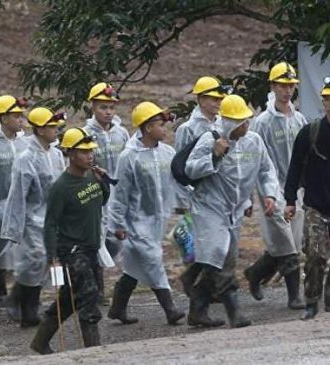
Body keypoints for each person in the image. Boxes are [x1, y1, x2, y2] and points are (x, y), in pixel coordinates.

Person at [184, 95, 278, 328]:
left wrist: (269, 194)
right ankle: (234, 312)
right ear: (227, 123)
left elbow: (266, 170)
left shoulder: (254, 142)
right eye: (239, 122)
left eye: (246, 121)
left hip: (234, 210)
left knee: (224, 258)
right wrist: (214, 155)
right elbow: (190, 169)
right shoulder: (210, 140)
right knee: (220, 255)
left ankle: (197, 306)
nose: (245, 126)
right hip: (209, 208)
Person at [30, 127, 109, 354]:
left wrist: (103, 181)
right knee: (89, 296)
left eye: (91, 151)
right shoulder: (61, 187)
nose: (90, 155)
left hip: (92, 248)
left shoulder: (91, 177)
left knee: (69, 299)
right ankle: (93, 352)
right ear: (71, 154)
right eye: (84, 152)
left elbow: (101, 200)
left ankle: (39, 341)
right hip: (73, 251)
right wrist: (52, 257)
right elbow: (50, 224)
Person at [107, 102, 185, 325]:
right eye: (161, 125)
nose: (165, 129)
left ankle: (117, 308)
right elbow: (120, 194)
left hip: (158, 220)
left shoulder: (167, 153)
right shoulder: (129, 157)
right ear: (148, 127)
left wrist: (187, 202)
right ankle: (170, 310)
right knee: (152, 260)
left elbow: (177, 183)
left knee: (134, 265)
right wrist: (118, 224)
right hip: (136, 221)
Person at [244, 62, 307, 310]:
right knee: (286, 241)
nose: (287, 90)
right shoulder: (263, 122)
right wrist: (258, 194)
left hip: (296, 189)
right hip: (272, 187)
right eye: (282, 85)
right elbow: (257, 160)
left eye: (291, 85)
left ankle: (255, 273)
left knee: (292, 239)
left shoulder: (299, 118)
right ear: (273, 86)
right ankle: (294, 296)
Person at [1, 107, 66, 327]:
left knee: (46, 262)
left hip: (52, 219)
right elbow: (18, 194)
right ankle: (19, 300)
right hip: (32, 218)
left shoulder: (56, 154)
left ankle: (27, 308)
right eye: (51, 127)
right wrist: (14, 226)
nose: (56, 130)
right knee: (34, 259)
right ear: (39, 129)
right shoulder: (26, 158)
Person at [174, 77, 228, 296]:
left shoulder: (221, 124)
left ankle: (198, 282)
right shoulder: (187, 129)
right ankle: (202, 288)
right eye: (213, 98)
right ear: (201, 99)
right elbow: (180, 167)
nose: (217, 102)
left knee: (214, 243)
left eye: (219, 98)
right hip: (198, 193)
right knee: (207, 243)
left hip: (219, 192)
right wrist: (184, 199)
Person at [285, 77, 330, 320]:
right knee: (316, 255)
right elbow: (293, 169)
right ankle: (312, 301)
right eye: (328, 99)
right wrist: (290, 200)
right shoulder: (309, 132)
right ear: (323, 101)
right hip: (316, 206)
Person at [84, 82, 129, 303]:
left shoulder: (122, 133)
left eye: (111, 107)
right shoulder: (85, 134)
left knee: (117, 240)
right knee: (96, 240)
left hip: (118, 194)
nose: (108, 112)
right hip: (96, 194)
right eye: (103, 107)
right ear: (93, 107)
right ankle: (96, 289)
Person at [0, 95, 28, 304]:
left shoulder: (25, 144)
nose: (21, 119)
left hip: (23, 207)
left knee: (23, 251)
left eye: (21, 115)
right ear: (3, 118)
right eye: (16, 115)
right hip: (0, 207)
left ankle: (22, 294)